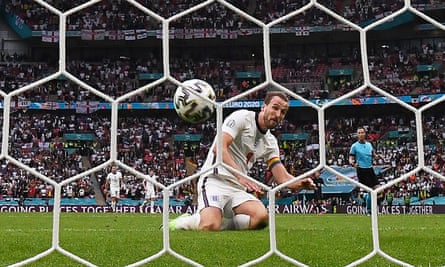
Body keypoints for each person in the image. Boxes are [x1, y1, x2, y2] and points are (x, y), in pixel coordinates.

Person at [168, 91, 317, 231]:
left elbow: (282, 177)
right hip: (214, 180)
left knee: (262, 218)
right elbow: (219, 148)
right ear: (264, 107)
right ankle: (185, 222)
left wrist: (300, 183)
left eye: (283, 112)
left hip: (237, 188)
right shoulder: (242, 117)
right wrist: (241, 176)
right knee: (209, 226)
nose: (278, 114)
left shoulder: (270, 142)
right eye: (275, 108)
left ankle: (220, 224)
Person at [348, 127, 379, 215]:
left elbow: (373, 154)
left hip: (370, 169)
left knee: (378, 190)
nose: (361, 134)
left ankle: (364, 196)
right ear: (357, 135)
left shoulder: (369, 145)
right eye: (359, 133)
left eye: (362, 132)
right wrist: (353, 164)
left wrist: (376, 156)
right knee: (371, 191)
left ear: (365, 134)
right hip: (361, 170)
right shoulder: (354, 146)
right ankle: (370, 211)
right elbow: (350, 158)